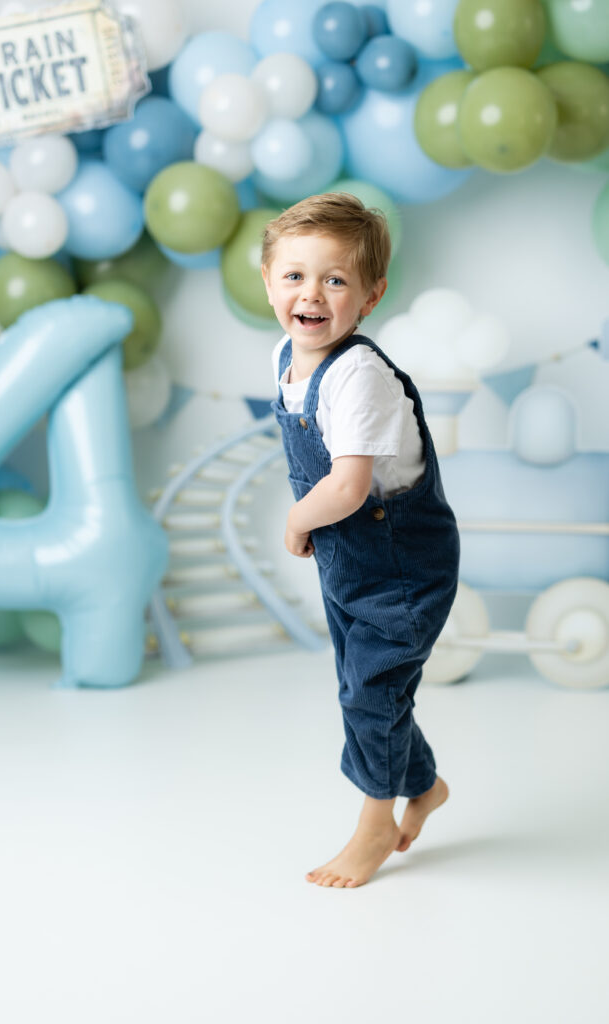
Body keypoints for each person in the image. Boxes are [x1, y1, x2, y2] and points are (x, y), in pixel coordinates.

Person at [261, 193, 460, 889]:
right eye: (293, 276)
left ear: (369, 297)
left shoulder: (358, 377)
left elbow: (346, 488)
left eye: (334, 280)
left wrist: (294, 520)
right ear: (267, 280)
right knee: (365, 686)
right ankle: (423, 785)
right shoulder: (287, 356)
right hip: (350, 561)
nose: (310, 294)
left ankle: (374, 823)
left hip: (402, 562)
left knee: (369, 695)